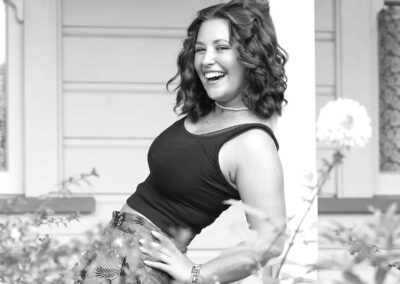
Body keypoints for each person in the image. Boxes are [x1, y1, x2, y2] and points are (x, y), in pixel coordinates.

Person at [74, 0, 287, 283]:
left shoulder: (252, 143)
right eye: (201, 49)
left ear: (251, 55)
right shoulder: (210, 113)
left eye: (221, 47)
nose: (206, 59)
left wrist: (197, 274)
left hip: (137, 269)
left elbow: (271, 239)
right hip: (110, 254)